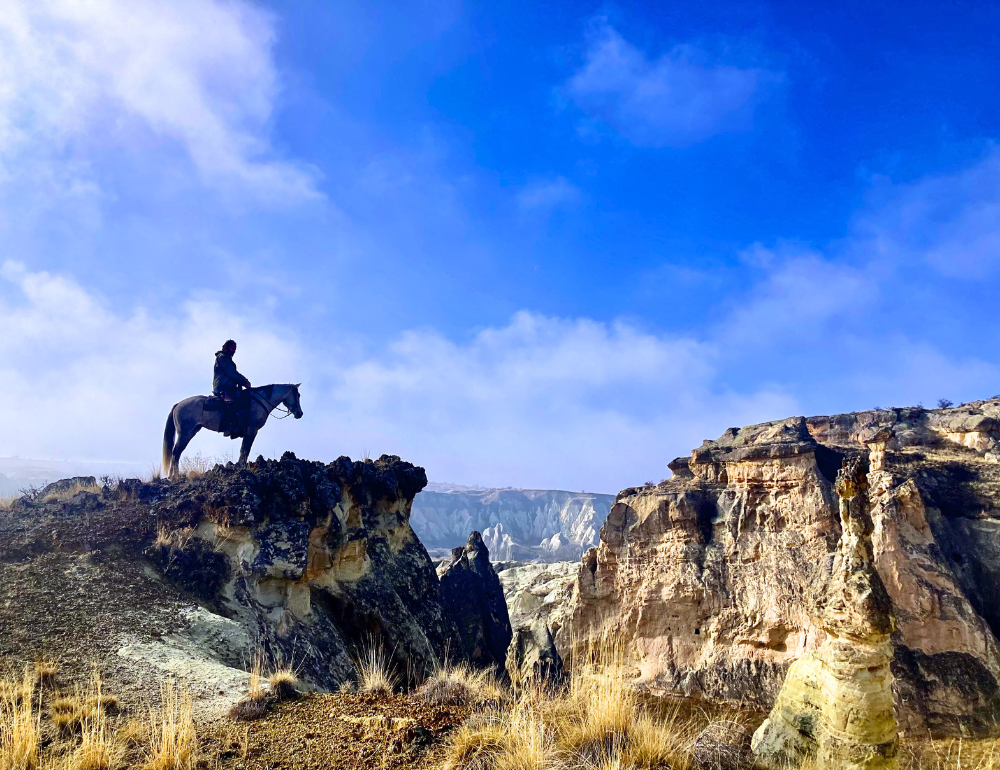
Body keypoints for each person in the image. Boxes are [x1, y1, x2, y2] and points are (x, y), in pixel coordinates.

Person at [213, 340, 251, 436]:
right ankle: (227, 426)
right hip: (223, 387)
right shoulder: (222, 358)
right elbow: (231, 373)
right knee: (234, 402)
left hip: (230, 387)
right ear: (226, 347)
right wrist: (244, 381)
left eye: (235, 349)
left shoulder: (227, 359)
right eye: (232, 348)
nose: (234, 351)